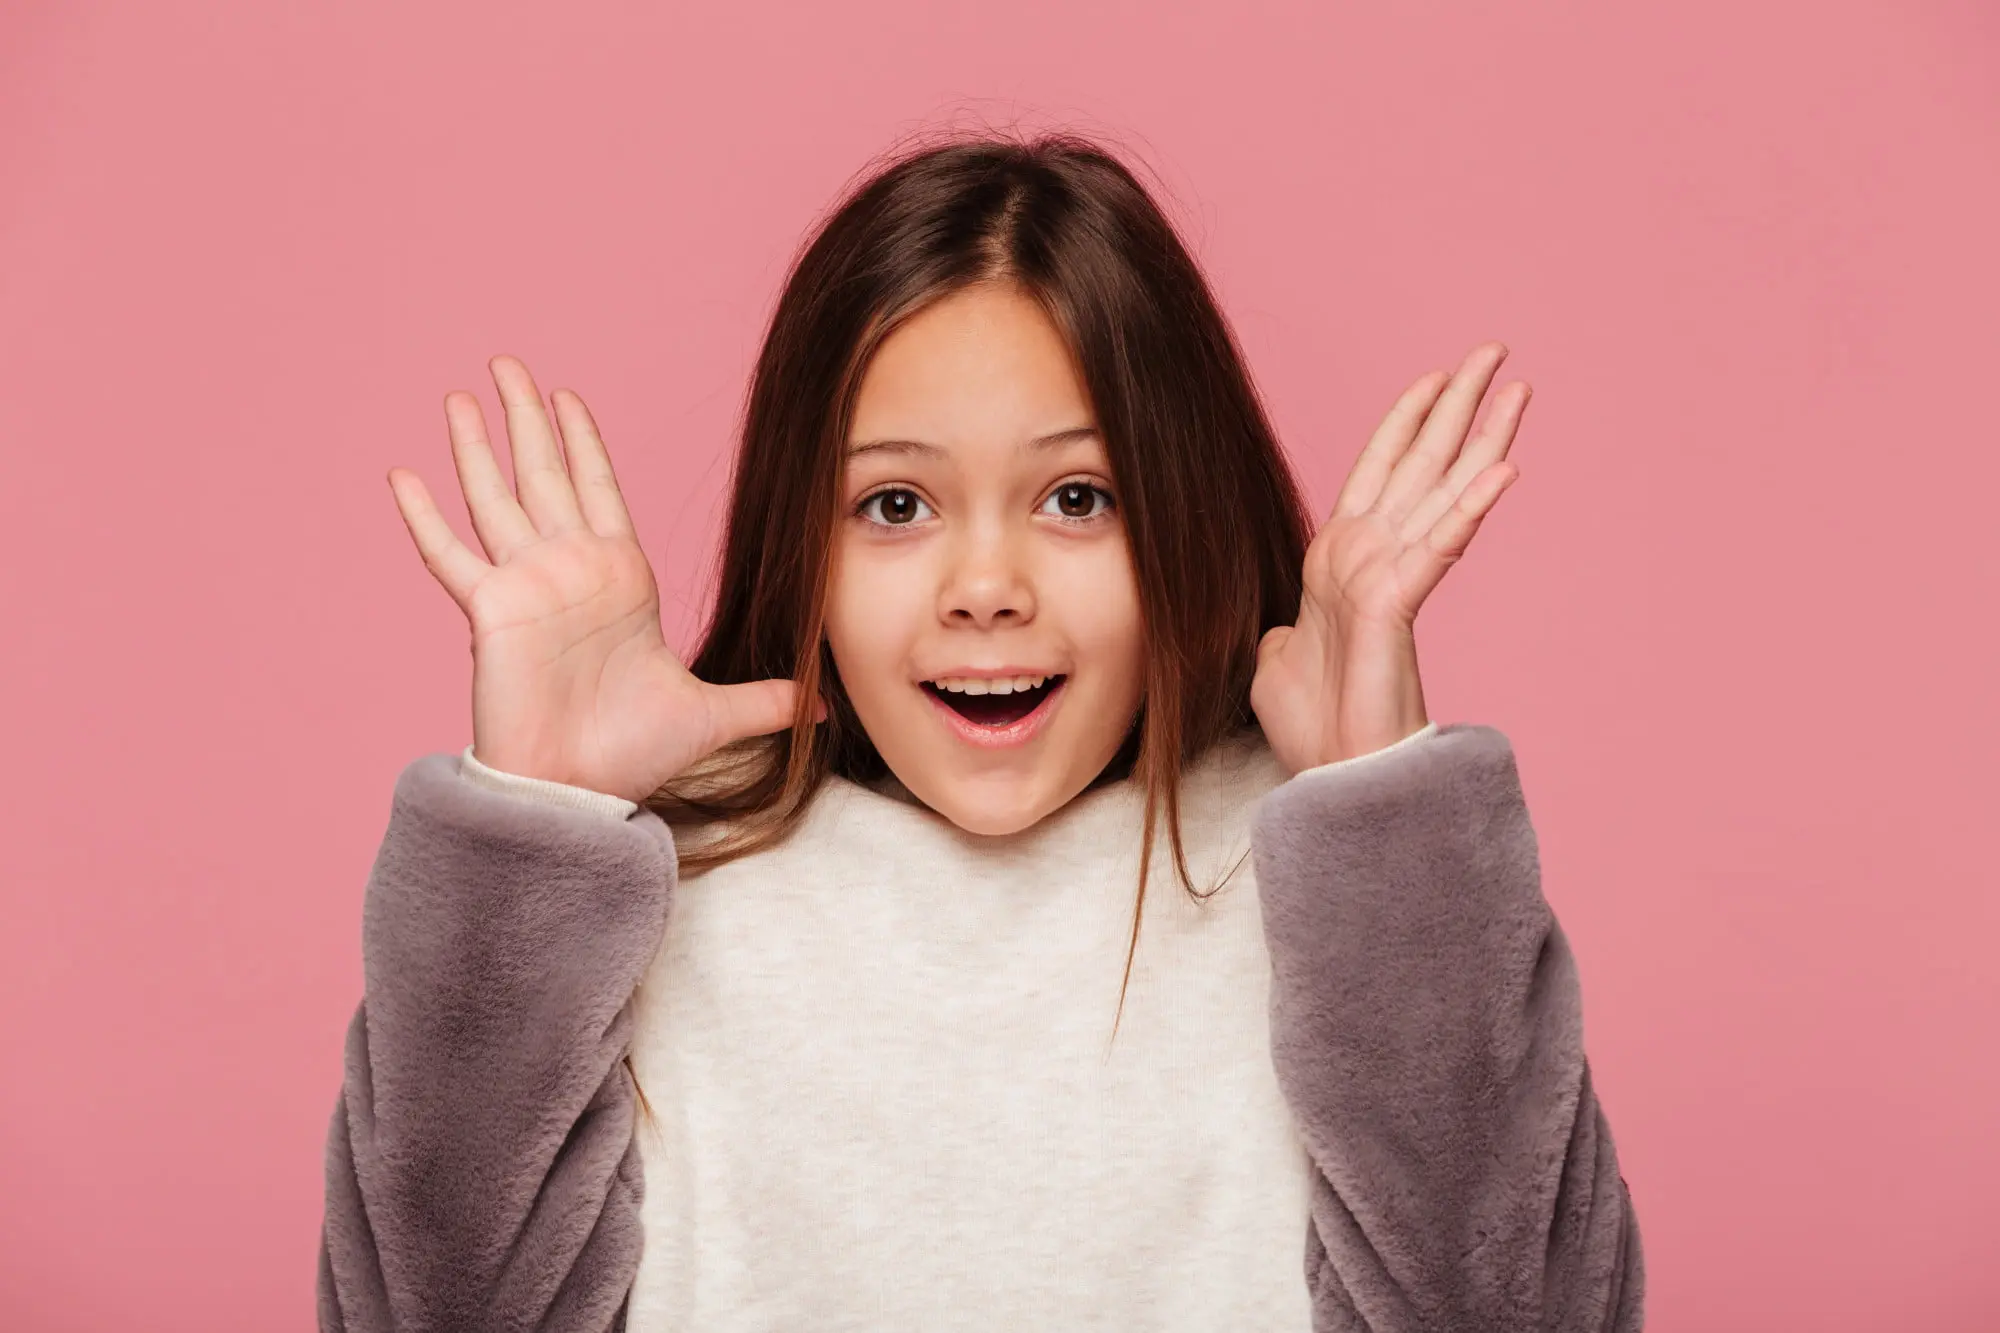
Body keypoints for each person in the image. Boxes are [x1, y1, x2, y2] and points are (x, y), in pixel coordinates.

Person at [318, 134, 1644, 1332]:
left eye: (1077, 496)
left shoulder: (1331, 885)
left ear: (1184, 516)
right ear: (806, 551)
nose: (986, 582)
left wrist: (1384, 818)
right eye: (896, 506)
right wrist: (529, 837)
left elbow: (1517, 1312)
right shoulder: (660, 892)